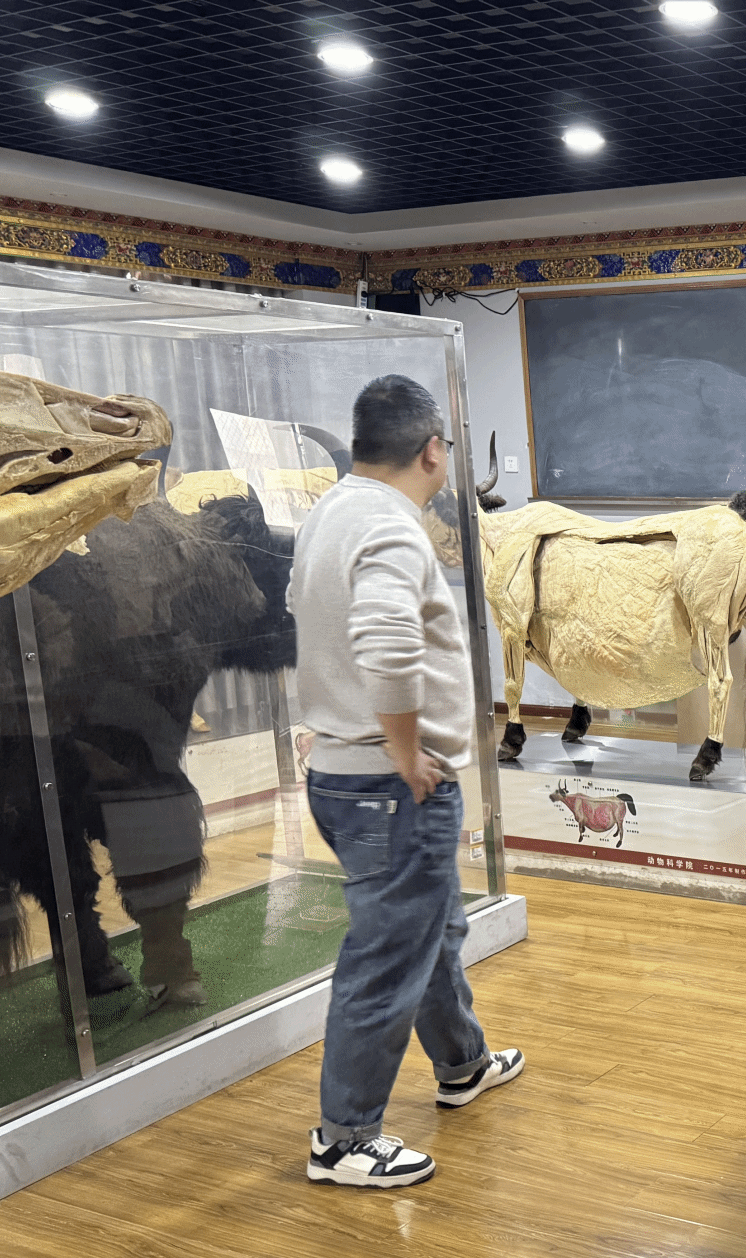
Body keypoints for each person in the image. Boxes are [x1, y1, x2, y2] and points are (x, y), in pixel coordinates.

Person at [291, 374, 523, 1188]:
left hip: (346, 773)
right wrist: (404, 750)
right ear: (431, 451)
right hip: (390, 785)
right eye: (447, 447)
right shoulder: (391, 525)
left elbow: (306, 615)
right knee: (387, 956)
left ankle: (463, 1063)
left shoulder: (331, 511)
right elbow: (387, 642)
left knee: (432, 927)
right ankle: (344, 1139)